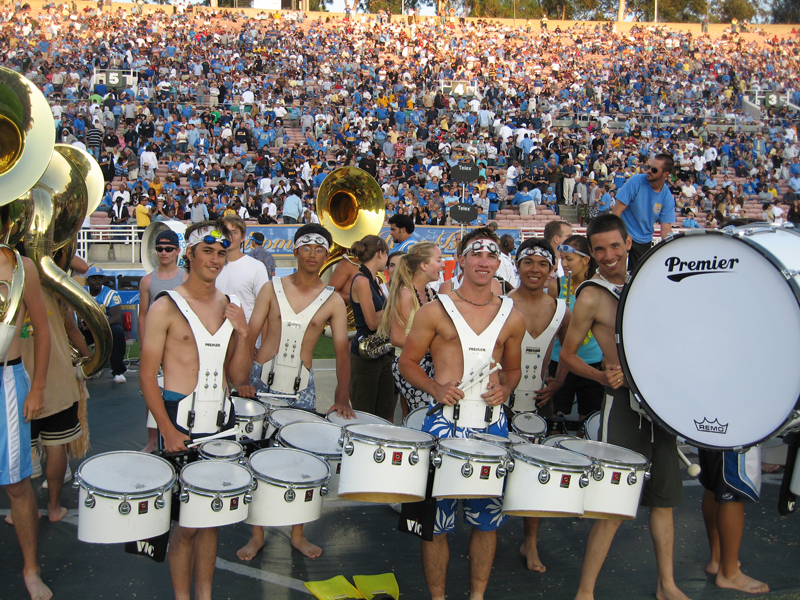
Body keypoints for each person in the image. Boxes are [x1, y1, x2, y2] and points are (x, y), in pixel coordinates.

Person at [559, 214, 688, 600]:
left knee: (663, 502)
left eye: (615, 246)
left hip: (662, 403)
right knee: (613, 505)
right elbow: (568, 355)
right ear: (592, 252)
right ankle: (586, 592)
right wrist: (601, 377)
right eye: (599, 249)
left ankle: (666, 585)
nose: (608, 255)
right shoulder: (591, 294)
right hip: (622, 406)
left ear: (628, 243)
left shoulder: (652, 280)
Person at [398, 226, 524, 600]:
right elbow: (407, 362)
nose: (484, 261)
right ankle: (438, 596)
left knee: (487, 522)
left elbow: (513, 369)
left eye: (490, 255)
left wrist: (507, 387)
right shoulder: (434, 310)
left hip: (492, 428)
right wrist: (435, 387)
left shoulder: (512, 317)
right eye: (476, 254)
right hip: (442, 426)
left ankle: (477, 596)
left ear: (498, 262)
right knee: (435, 523)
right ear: (463, 260)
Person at [140, 221, 251, 600]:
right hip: (179, 421)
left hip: (220, 421)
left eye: (222, 252)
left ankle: (204, 594)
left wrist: (243, 332)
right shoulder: (165, 306)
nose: (215, 259)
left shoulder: (229, 307)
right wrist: (165, 430)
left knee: (212, 518)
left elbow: (237, 375)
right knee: (186, 525)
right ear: (190, 253)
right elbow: (145, 376)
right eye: (207, 250)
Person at [235, 224, 354, 561]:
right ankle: (256, 534)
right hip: (260, 383)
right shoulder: (272, 288)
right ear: (296, 250)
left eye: (320, 248)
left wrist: (343, 396)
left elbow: (343, 351)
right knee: (255, 457)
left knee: (302, 461)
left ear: (326, 254)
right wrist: (242, 378)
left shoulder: (332, 300)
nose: (313, 253)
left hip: (302, 390)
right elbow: (250, 333)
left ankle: (297, 534)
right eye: (307, 247)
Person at [507, 237, 570, 574]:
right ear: (517, 265)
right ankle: (483, 535)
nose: (535, 269)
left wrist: (558, 380)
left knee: (537, 474)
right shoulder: (501, 302)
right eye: (528, 262)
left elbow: (570, 350)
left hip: (539, 402)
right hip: (500, 400)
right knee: (495, 469)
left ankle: (530, 541)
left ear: (551, 270)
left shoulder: (560, 308)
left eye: (542, 264)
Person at [0, 237, 51, 600]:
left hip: (7, 380)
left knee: (17, 484)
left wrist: (38, 389)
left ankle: (30, 568)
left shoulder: (21, 266)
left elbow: (43, 331)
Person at [22, 284, 91, 524]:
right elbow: (72, 329)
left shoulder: (8, 282)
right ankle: (54, 507)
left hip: (18, 380)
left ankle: (20, 509)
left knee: (19, 451)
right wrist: (91, 359)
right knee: (57, 446)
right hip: (58, 379)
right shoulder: (55, 285)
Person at [378, 242, 444, 418]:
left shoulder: (430, 292)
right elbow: (397, 337)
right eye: (438, 260)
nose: (443, 264)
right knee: (425, 415)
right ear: (423, 265)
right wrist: (432, 348)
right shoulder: (405, 294)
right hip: (410, 364)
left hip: (429, 362)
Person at [138, 229, 188, 454]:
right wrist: (143, 345)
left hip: (180, 346)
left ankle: (180, 431)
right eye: (160, 249)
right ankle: (152, 439)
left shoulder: (186, 277)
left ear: (178, 251)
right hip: (156, 343)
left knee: (178, 389)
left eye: (169, 249)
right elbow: (142, 315)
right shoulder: (148, 280)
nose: (164, 253)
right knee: (152, 390)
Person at [546, 235, 604, 419]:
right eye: (562, 259)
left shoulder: (599, 287)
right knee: (557, 419)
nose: (564, 264)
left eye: (569, 259)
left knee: (588, 420)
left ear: (586, 260)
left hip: (591, 361)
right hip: (560, 359)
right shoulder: (557, 286)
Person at [699, 447, 769, 594]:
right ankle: (729, 573)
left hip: (715, 431)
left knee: (715, 483)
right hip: (735, 430)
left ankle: (718, 560)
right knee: (733, 488)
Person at [349, 234, 394, 421]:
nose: (388, 261)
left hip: (381, 353)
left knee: (384, 416)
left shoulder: (374, 281)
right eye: (387, 255)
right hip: (365, 357)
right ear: (380, 253)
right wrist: (394, 303)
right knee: (365, 417)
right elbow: (373, 323)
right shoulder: (361, 280)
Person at [612, 154, 676, 271]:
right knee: (615, 274)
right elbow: (616, 213)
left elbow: (666, 230)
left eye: (654, 170)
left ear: (665, 174)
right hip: (623, 234)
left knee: (638, 276)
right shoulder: (635, 182)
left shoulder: (667, 196)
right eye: (649, 167)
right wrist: (621, 236)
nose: (649, 171)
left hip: (644, 240)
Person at [215, 215, 270, 322]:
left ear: (242, 237)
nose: (229, 236)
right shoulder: (211, 266)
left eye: (234, 232)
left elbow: (265, 308)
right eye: (226, 232)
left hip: (246, 333)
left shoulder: (256, 267)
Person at [84, 267, 127, 383]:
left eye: (99, 278)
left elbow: (116, 318)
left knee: (117, 331)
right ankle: (85, 368)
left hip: (104, 328)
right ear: (88, 280)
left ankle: (118, 372)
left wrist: (95, 326)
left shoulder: (110, 294)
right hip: (86, 328)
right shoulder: (81, 291)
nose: (97, 281)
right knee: (71, 334)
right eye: (93, 279)